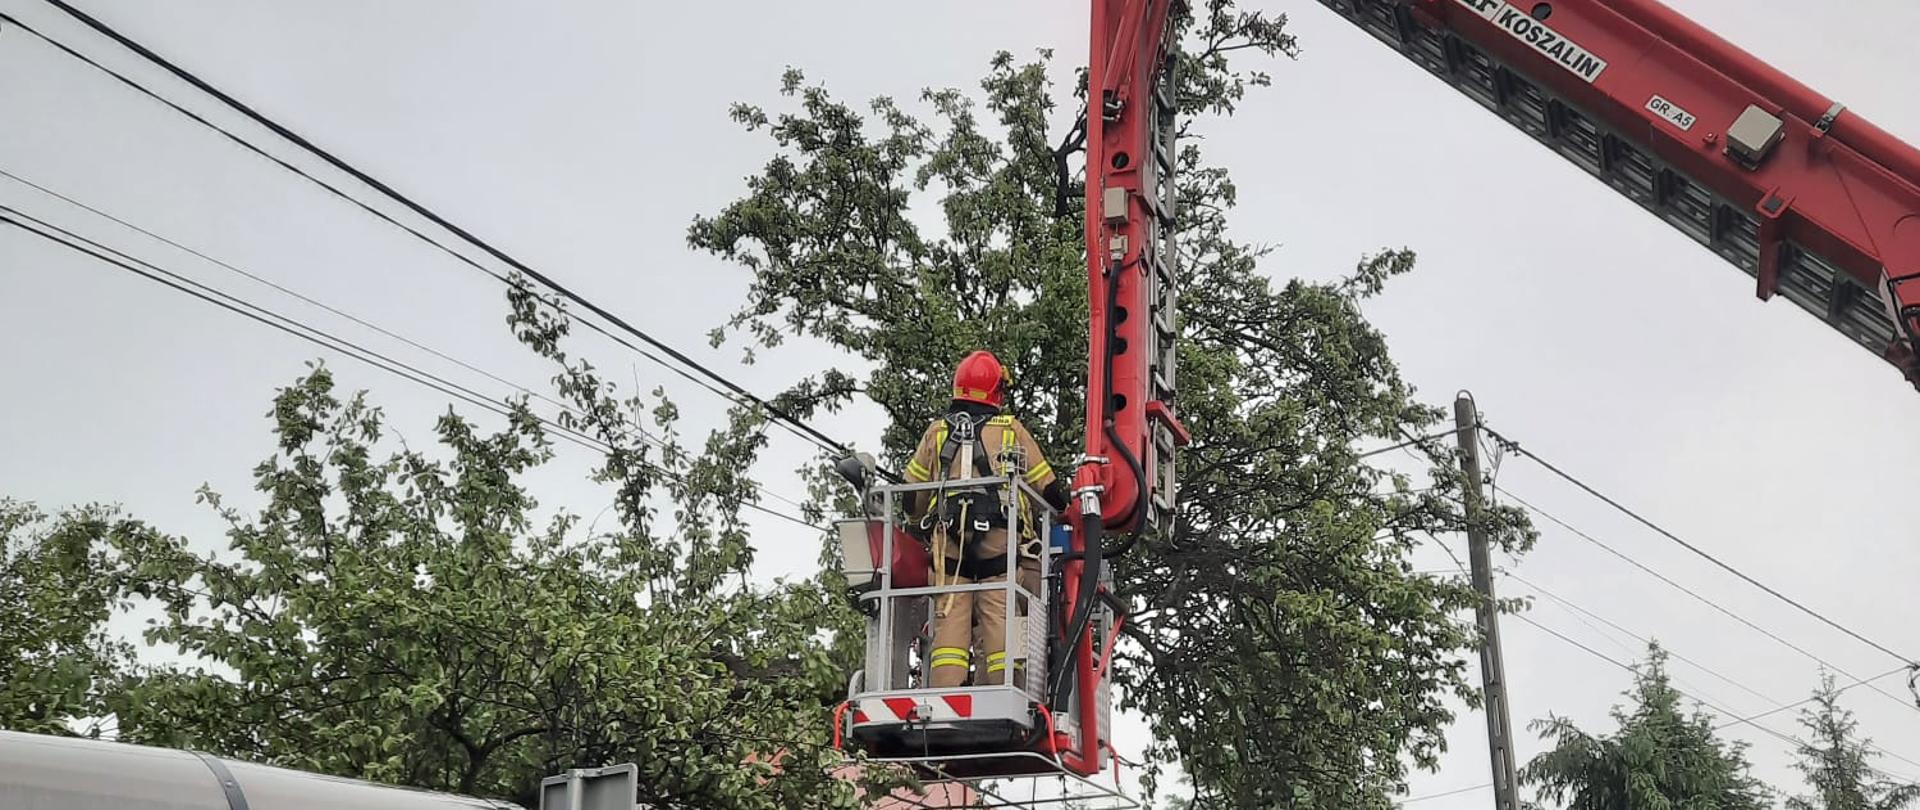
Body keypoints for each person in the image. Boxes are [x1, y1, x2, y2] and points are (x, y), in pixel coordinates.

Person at [903, 350, 1069, 688]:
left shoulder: (936, 433)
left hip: (949, 549)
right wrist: (1064, 510)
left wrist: (917, 519)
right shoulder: (1011, 431)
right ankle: (1004, 691)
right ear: (997, 391)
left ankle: (942, 695)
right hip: (1000, 550)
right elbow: (1049, 488)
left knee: (949, 625)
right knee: (1000, 621)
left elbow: (910, 497)